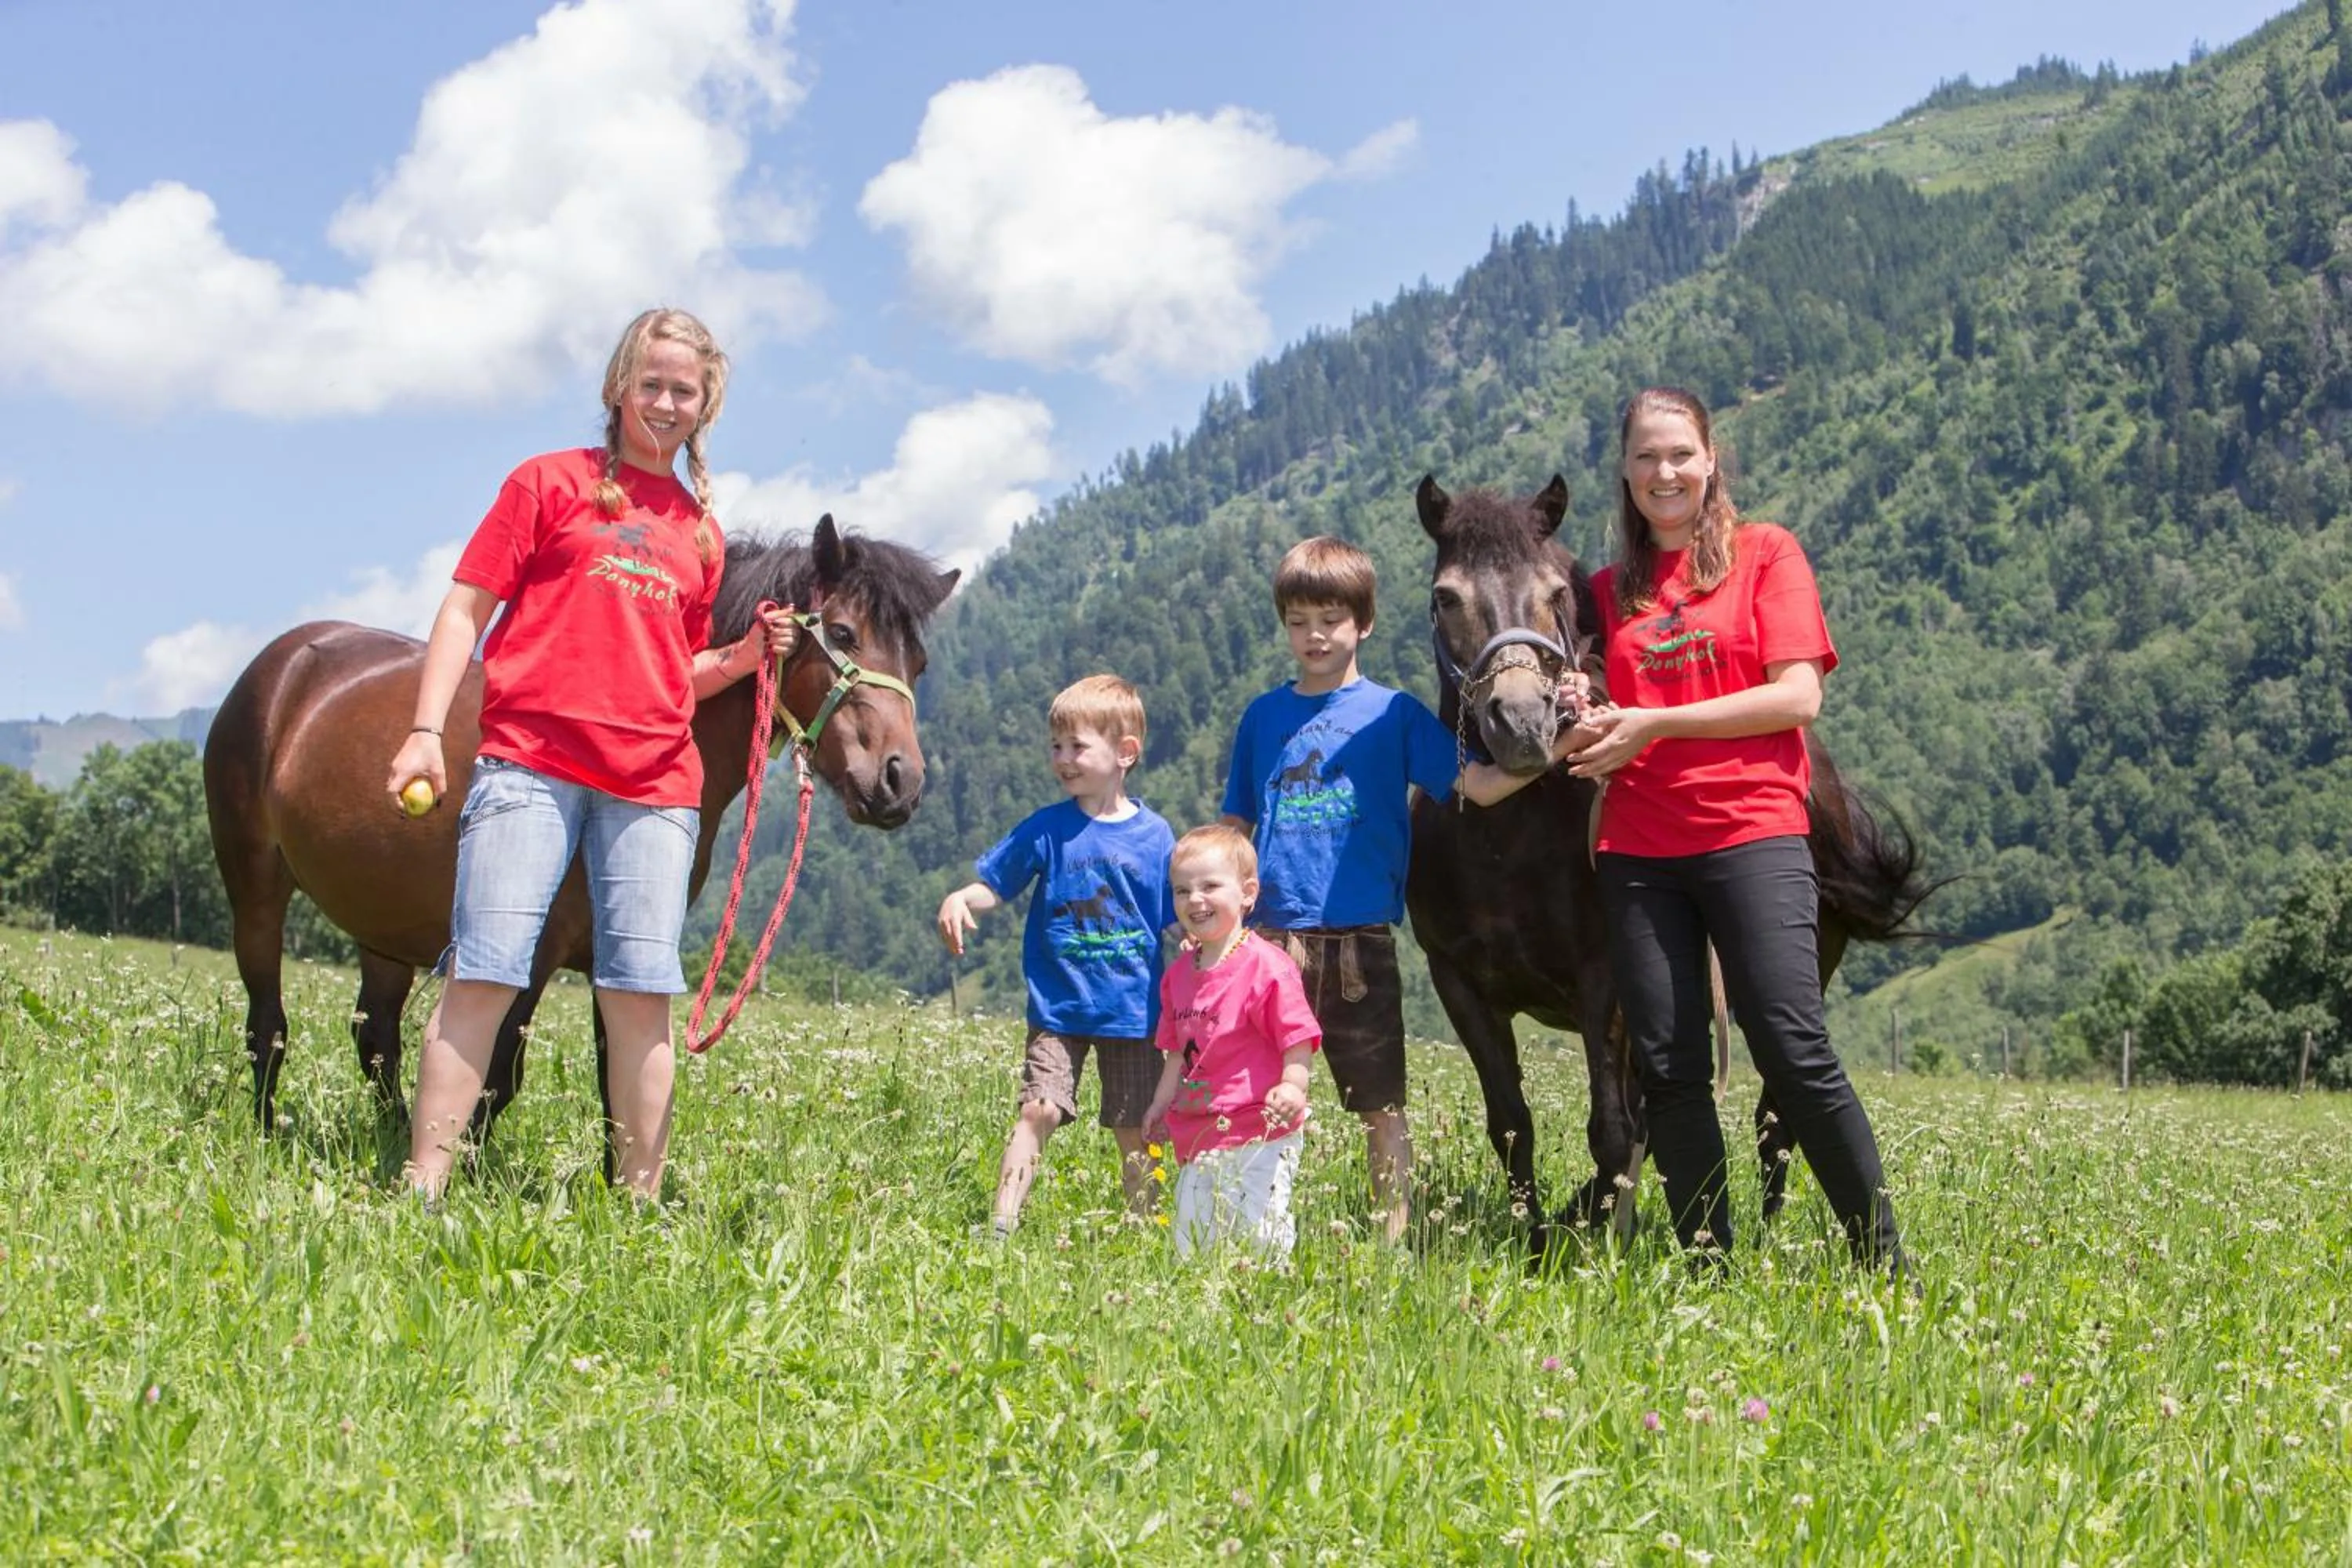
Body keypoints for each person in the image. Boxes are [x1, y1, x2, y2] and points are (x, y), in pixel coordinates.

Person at [386, 307, 798, 1201]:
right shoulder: (547, 483)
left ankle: (639, 1204)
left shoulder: (699, 535)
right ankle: (423, 1185)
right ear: (618, 387)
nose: (664, 401)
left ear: (705, 407)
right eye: (650, 383)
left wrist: (741, 658)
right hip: (528, 765)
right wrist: (425, 729)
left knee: (640, 994)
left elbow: (672, 674)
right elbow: (464, 611)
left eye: (683, 391)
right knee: (485, 972)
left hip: (654, 787)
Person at [1564, 385, 1904, 1272]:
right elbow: (1578, 723)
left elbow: (1799, 693)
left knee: (1792, 1046)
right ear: (1626, 473)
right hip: (1637, 849)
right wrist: (1582, 713)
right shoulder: (1604, 592)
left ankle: (1885, 1262)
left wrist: (1654, 723)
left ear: (1711, 459)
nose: (1664, 471)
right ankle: (1710, 1269)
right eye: (1646, 457)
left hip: (1753, 830)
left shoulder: (1766, 555)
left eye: (1680, 453)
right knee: (1669, 1069)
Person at [1220, 535, 1569, 1243]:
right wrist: (1207, 904)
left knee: (1382, 1105)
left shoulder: (1397, 715)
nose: (1314, 635)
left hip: (1360, 945)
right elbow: (1236, 822)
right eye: (1298, 621)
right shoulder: (1262, 717)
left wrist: (1559, 745)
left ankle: (1391, 1241)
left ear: (1365, 623)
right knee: (1253, 1094)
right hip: (1267, 943)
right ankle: (1248, 1229)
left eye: (1331, 618)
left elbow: (1475, 784)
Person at [937, 675, 1177, 1237]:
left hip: (1134, 1014)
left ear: (1125, 754)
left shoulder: (1156, 836)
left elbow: (1175, 914)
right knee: (1037, 1110)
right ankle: (1001, 1224)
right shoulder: (1048, 829)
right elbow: (996, 883)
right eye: (1056, 747)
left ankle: (1146, 1232)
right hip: (1058, 1009)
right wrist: (961, 897)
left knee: (1136, 1131)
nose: (1063, 759)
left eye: (1077, 747)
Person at [1141, 825, 1322, 1261]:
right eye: (1182, 891)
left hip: (1258, 1126)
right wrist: (1161, 1106)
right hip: (1196, 1128)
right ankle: (1202, 1311)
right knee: (1193, 1237)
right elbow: (1174, 1056)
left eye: (1209, 886)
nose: (1194, 900)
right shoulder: (1178, 976)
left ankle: (1265, 1305)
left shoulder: (1267, 967)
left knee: (1258, 1230)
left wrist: (1293, 1086)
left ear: (1247, 893)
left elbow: (1297, 1038)